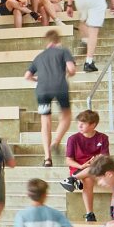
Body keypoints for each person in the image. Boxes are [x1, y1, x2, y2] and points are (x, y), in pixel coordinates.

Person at [25, 30, 76, 167]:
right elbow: (71, 69)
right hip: (60, 87)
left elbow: (27, 76)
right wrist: (66, 74)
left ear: (47, 42)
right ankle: (56, 141)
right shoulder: (63, 51)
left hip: (42, 90)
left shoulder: (39, 56)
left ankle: (47, 158)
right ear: (58, 41)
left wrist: (39, 80)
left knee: (45, 121)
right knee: (66, 114)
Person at [65, 109, 111, 222]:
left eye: (83, 123)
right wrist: (81, 166)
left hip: (97, 168)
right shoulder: (73, 139)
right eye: (78, 123)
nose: (79, 125)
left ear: (93, 125)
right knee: (88, 180)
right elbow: (69, 161)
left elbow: (105, 158)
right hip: (79, 169)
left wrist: (96, 161)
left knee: (113, 176)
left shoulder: (103, 138)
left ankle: (71, 180)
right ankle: (89, 213)